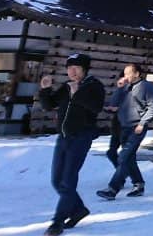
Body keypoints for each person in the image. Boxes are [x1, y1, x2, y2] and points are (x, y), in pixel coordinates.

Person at [38, 53, 105, 236]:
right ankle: (79, 209)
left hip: (81, 137)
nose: (72, 72)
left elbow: (96, 107)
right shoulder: (66, 87)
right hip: (63, 137)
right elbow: (49, 105)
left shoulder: (93, 86)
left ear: (85, 70)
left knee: (67, 181)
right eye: (69, 68)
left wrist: (77, 95)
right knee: (56, 180)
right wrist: (45, 90)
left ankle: (57, 222)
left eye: (76, 68)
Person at [96, 63, 153, 201]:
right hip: (124, 126)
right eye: (125, 73)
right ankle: (139, 184)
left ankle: (113, 189)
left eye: (129, 73)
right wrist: (119, 88)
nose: (126, 76)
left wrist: (143, 123)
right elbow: (113, 103)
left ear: (137, 74)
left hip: (137, 127)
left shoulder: (146, 87)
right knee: (129, 158)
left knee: (123, 156)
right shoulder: (124, 87)